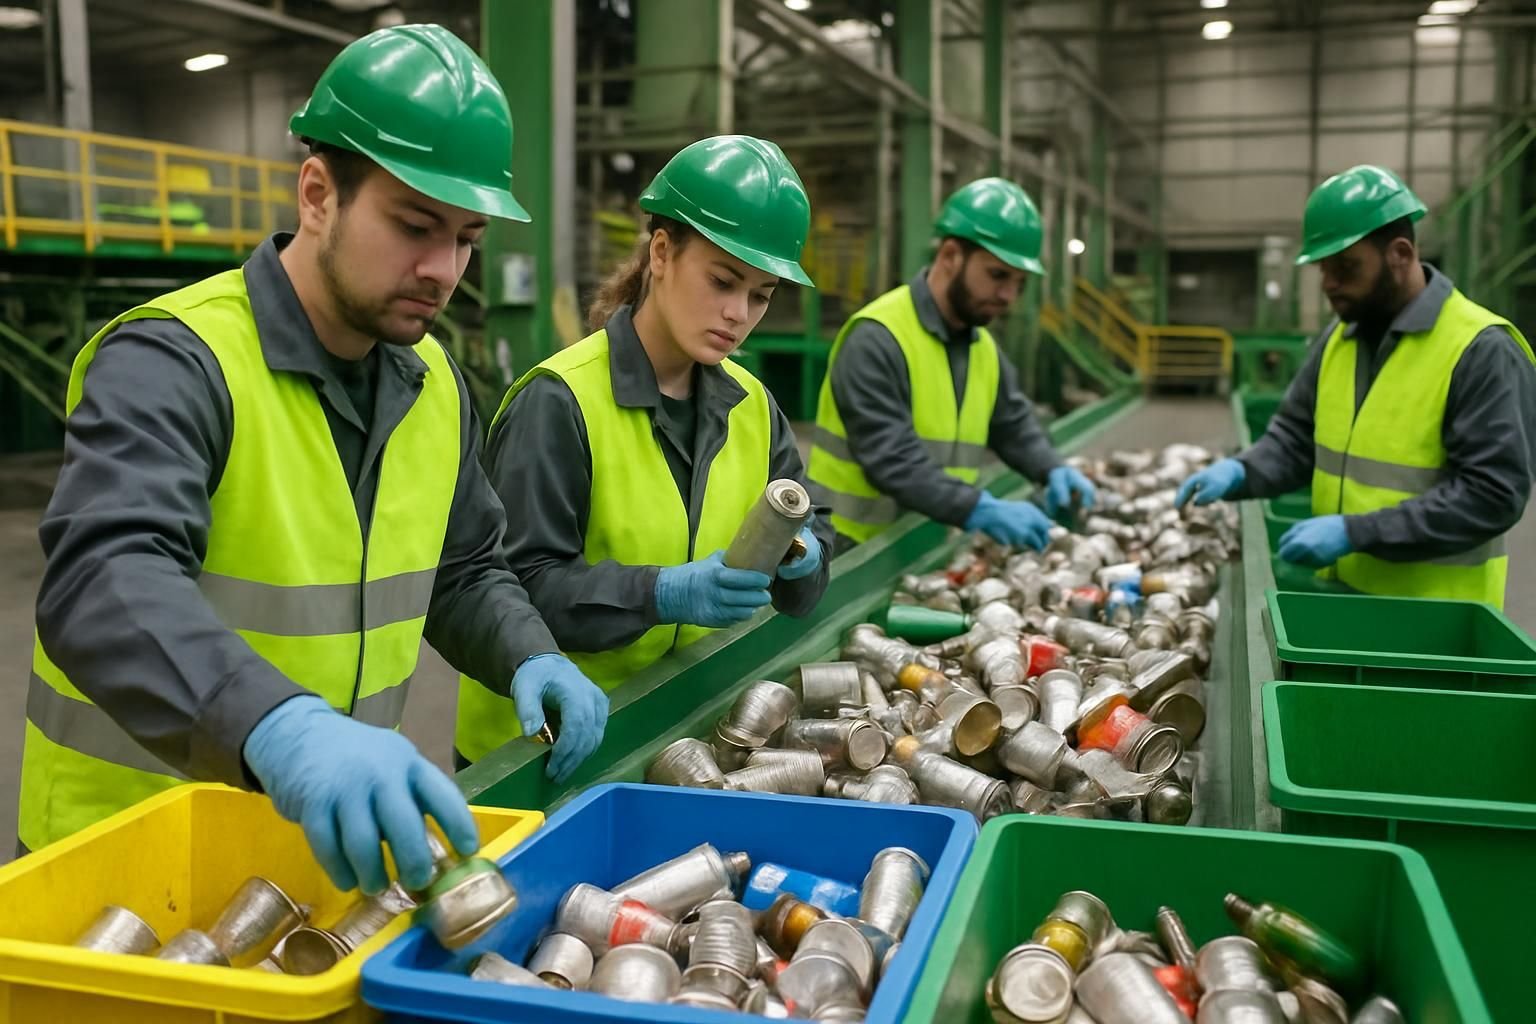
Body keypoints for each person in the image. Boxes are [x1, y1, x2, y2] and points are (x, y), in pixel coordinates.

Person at [16, 25, 608, 895]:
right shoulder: (175, 360)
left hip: (316, 864)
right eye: (415, 226)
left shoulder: (435, 381)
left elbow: (463, 569)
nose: (443, 270)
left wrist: (528, 653)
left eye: (467, 238)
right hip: (125, 873)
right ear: (319, 194)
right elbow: (104, 578)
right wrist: (280, 726)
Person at [454, 136, 833, 767]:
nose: (737, 313)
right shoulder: (560, 401)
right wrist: (662, 593)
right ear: (661, 252)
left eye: (761, 295)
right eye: (722, 281)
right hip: (542, 751)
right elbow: (513, 587)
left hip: (678, 737)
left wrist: (805, 559)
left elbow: (808, 553)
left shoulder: (753, 407)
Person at [1178, 164, 1535, 608]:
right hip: (1343, 602)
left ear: (1400, 254)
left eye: (1345, 268)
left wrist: (1357, 532)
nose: (1329, 284)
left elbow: (1491, 496)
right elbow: (1294, 440)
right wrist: (1242, 471)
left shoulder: (1481, 350)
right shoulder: (1339, 338)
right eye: (1323, 269)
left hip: (1437, 620)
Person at [806, 177, 1096, 553]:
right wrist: (980, 508)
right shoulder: (877, 338)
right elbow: (891, 458)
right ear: (949, 256)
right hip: (851, 550)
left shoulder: (983, 347)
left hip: (926, 543)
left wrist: (1051, 467)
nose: (1008, 295)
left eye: (1019, 282)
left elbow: (1013, 425)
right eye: (998, 275)